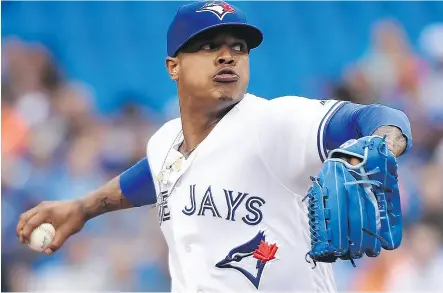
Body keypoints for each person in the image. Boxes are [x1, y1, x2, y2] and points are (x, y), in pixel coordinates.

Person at [17, 1, 412, 292]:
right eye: (208, 46)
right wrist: (84, 208)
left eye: (238, 47)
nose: (228, 56)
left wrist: (379, 146)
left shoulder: (272, 123)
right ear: (174, 66)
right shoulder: (166, 142)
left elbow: (378, 116)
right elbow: (154, 175)